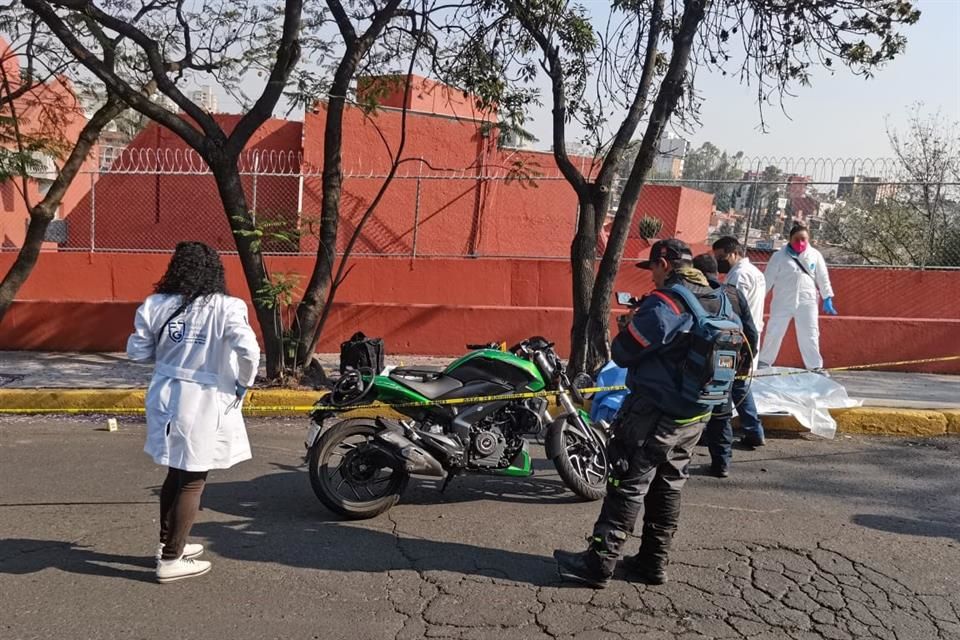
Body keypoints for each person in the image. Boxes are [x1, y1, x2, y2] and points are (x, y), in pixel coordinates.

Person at [553, 239, 741, 589]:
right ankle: (653, 563)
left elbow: (624, 353)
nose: (651, 278)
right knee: (669, 485)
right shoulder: (719, 297)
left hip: (655, 411)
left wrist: (629, 327)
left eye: (653, 269)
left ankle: (598, 563)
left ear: (665, 264)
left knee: (626, 482)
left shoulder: (667, 301)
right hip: (696, 412)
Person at [127, 241, 261, 584]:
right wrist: (243, 383)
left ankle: (168, 544)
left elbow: (138, 353)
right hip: (202, 398)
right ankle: (171, 560)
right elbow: (249, 350)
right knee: (194, 477)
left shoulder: (156, 304)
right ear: (215, 271)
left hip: (165, 393)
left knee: (176, 470)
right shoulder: (227, 307)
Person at [692, 254, 758, 477]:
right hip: (725, 363)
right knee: (721, 414)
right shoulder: (733, 293)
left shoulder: (691, 295)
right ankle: (722, 463)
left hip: (696, 364)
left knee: (688, 414)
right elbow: (750, 332)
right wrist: (745, 363)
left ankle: (679, 464)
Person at [758, 223, 837, 371]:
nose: (800, 243)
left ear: (809, 239)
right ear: (789, 239)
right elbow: (767, 279)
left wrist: (827, 297)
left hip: (808, 303)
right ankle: (764, 362)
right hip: (782, 302)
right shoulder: (779, 256)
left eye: (804, 239)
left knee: (810, 334)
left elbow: (822, 277)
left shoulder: (815, 255)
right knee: (774, 331)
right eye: (796, 239)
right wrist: (759, 298)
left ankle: (815, 366)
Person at [712, 236, 766, 448]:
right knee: (739, 384)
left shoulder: (740, 276)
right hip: (749, 334)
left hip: (739, 337)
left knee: (734, 384)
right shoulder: (755, 272)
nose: (719, 262)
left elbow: (733, 306)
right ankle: (753, 431)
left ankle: (751, 431)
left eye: (721, 257)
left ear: (733, 253)